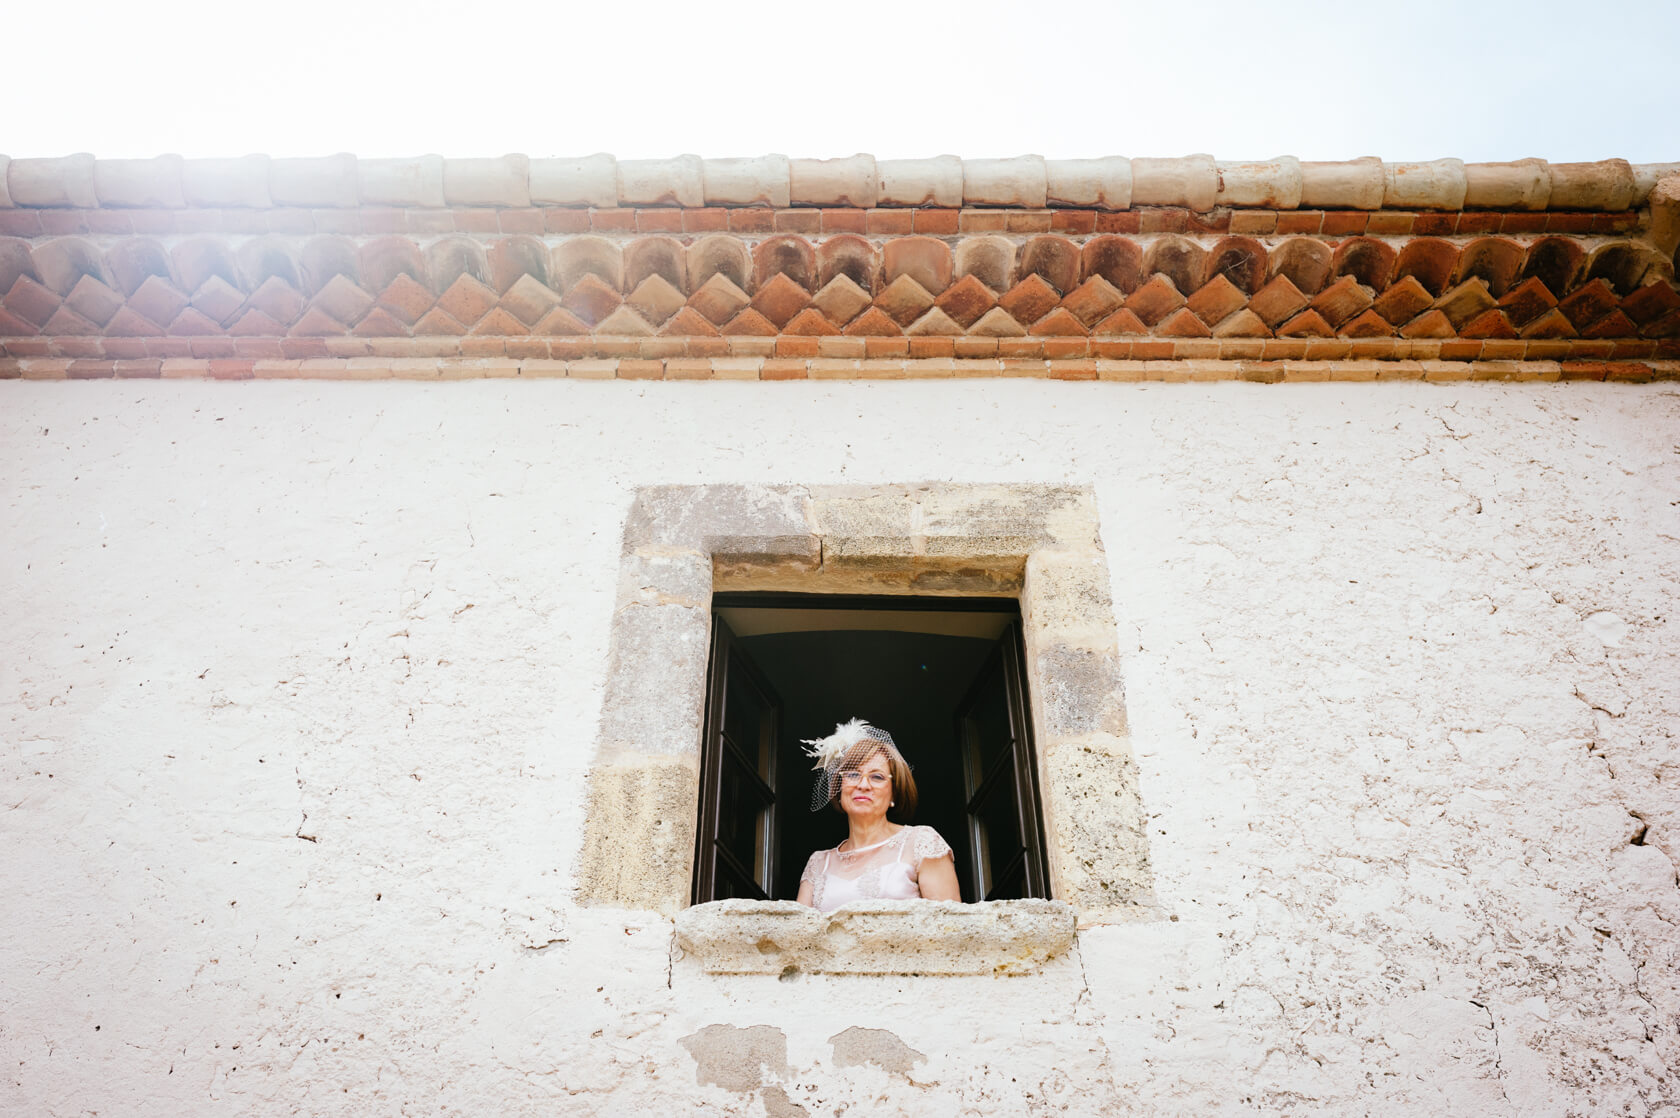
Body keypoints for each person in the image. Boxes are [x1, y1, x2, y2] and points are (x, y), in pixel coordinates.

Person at [794, 718, 961, 912]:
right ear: (839, 789)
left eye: (877, 777)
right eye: (853, 774)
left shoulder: (921, 842)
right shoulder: (819, 863)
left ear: (894, 792)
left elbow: (950, 926)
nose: (863, 785)